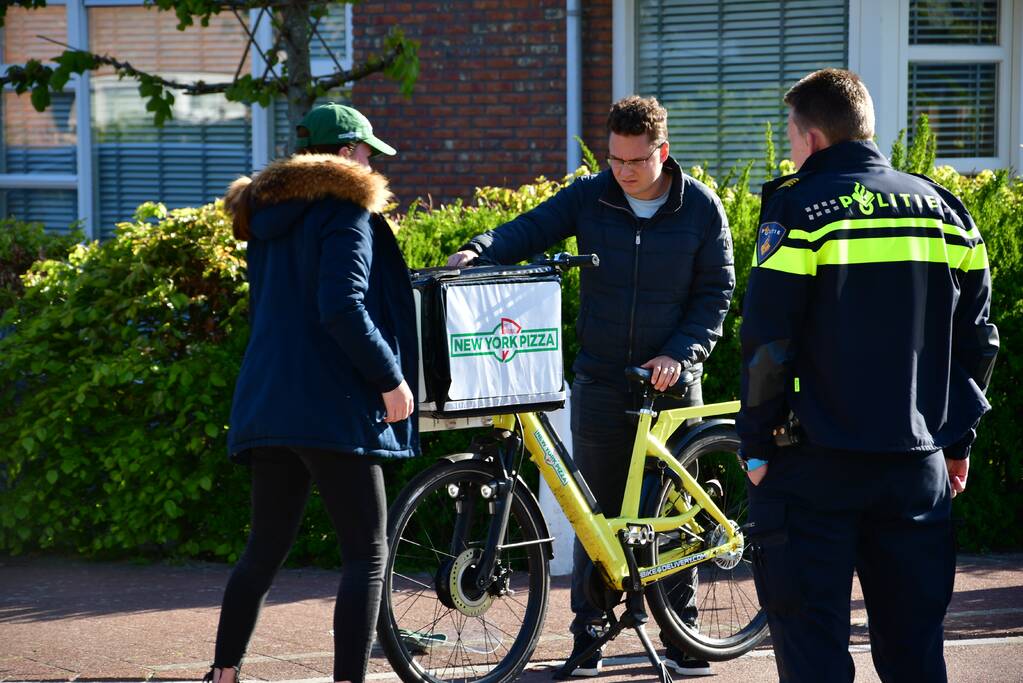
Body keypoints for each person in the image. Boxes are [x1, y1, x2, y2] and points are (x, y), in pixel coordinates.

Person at [448, 95, 734, 677]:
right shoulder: (593, 194)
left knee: (675, 513)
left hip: (674, 384)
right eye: (614, 160)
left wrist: (679, 354)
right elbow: (533, 228)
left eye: (635, 161)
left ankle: (685, 634)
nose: (623, 172)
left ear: (663, 151)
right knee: (592, 512)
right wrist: (479, 250)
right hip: (603, 377)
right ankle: (591, 634)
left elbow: (715, 295)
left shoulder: (702, 208)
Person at [737, 69, 999, 683]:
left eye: (792, 136)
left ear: (814, 139)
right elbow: (979, 339)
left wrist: (754, 444)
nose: (790, 148)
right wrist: (957, 440)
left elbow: (769, 342)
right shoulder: (945, 209)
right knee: (915, 652)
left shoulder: (799, 207)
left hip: (813, 464)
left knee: (814, 650)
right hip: (916, 465)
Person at [208, 103, 418, 683]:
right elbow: (342, 307)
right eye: (368, 150)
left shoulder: (266, 216)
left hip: (268, 401)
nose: (373, 160)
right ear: (348, 153)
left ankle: (223, 673)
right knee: (367, 552)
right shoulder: (345, 213)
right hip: (332, 407)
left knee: (263, 549)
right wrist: (389, 378)